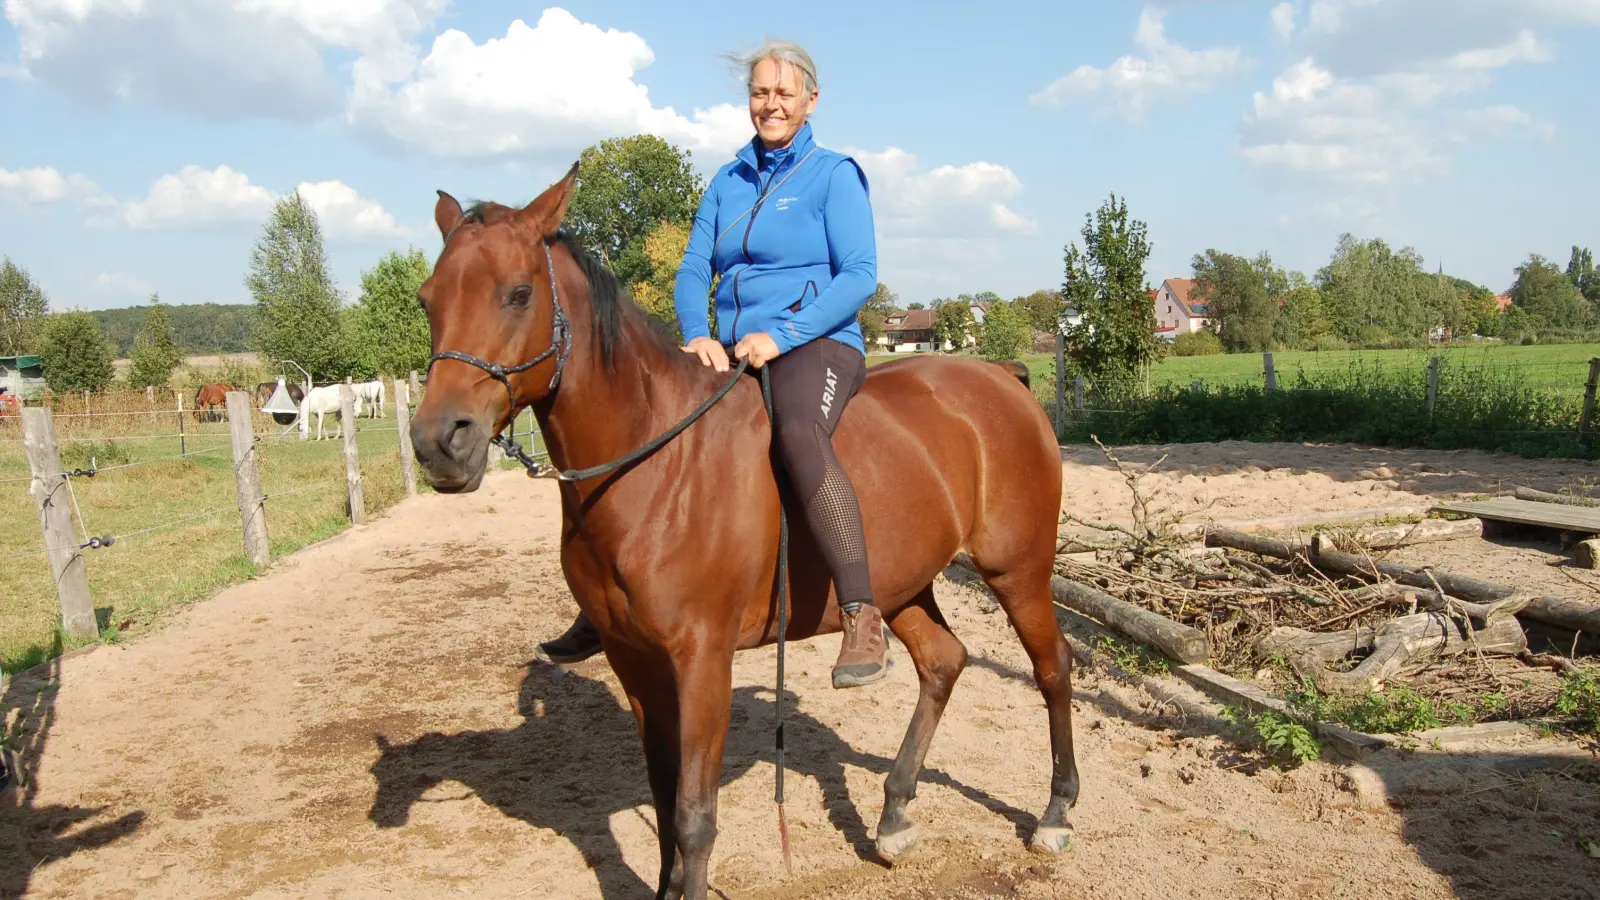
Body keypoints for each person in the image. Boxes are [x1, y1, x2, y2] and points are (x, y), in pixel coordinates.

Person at [535, 39, 889, 688]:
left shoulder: (834, 175)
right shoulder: (728, 181)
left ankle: (861, 610)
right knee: (652, 433)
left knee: (797, 433)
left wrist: (783, 335)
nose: (770, 104)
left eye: (784, 93)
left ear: (811, 100)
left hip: (816, 343)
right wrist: (698, 333)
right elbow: (696, 266)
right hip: (732, 349)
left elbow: (860, 274)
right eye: (760, 92)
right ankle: (607, 597)